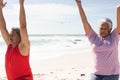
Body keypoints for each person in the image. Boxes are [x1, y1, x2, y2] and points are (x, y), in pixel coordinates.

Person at [75, 0, 120, 80]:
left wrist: (118, 8)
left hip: (111, 75)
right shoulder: (93, 37)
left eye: (105, 28)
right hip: (95, 74)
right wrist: (79, 5)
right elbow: (84, 22)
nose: (103, 30)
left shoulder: (114, 37)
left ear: (110, 29)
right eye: (101, 28)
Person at [0, 0, 33, 80]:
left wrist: (21, 4)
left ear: (20, 36)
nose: (10, 36)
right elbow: (2, 27)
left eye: (13, 34)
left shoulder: (23, 47)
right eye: (10, 34)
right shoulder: (10, 45)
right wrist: (0, 9)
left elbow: (23, 26)